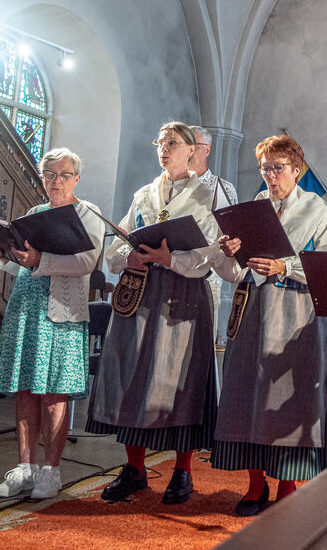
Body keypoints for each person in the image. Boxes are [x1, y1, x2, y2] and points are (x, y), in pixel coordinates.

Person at [87, 121, 225, 505]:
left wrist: (171, 259)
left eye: (172, 143)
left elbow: (212, 251)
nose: (164, 148)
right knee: (130, 375)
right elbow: (118, 240)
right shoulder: (145, 193)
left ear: (192, 150)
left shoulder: (207, 195)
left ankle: (182, 470)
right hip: (142, 293)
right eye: (160, 142)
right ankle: (135, 468)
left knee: (181, 380)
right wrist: (127, 257)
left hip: (184, 295)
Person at [211, 134, 327, 515]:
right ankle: (255, 484)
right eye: (265, 168)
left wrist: (285, 266)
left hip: (296, 311)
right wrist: (230, 254)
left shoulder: (317, 209)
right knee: (247, 391)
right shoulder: (254, 208)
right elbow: (235, 273)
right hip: (253, 309)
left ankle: (287, 483)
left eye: (277, 168)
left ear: (296, 170)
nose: (270, 175)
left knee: (288, 399)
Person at [0, 148, 105, 500]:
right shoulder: (34, 214)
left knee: (54, 391)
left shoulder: (88, 213)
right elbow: (21, 265)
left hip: (62, 311)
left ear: (76, 178)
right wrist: (4, 255)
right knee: (25, 388)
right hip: (26, 307)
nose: (56, 181)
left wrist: (41, 258)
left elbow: (86, 262)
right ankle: (25, 467)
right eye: (50, 175)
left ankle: (51, 471)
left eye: (64, 175)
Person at [187, 125, 238, 343]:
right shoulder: (172, 186)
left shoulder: (222, 188)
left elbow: (233, 234)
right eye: (185, 145)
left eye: (194, 145)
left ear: (207, 150)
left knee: (202, 345)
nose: (189, 150)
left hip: (209, 278)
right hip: (173, 272)